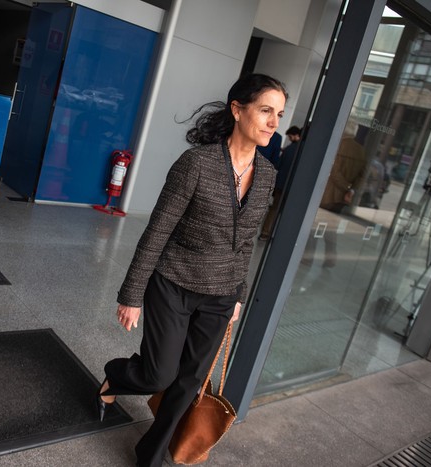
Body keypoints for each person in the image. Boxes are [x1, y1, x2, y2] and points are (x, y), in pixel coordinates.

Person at [97, 73, 287, 467]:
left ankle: (151, 456)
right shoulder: (196, 164)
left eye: (279, 114)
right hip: (174, 285)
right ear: (238, 110)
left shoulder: (267, 174)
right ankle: (116, 375)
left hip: (220, 296)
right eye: (266, 110)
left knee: (188, 384)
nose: (273, 122)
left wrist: (237, 294)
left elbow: (246, 241)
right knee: (159, 376)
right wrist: (131, 295)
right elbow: (157, 231)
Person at [303, 122, 368, 268]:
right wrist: (351, 191)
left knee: (313, 227)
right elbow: (362, 177)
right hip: (343, 198)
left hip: (327, 195)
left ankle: (308, 258)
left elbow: (334, 173)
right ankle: (331, 258)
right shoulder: (361, 151)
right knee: (330, 228)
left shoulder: (339, 146)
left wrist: (346, 187)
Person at [259, 125, 301, 240]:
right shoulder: (303, 151)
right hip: (294, 188)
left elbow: (277, 165)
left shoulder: (289, 149)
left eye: (290, 136)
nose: (289, 138)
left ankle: (265, 233)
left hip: (281, 185)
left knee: (274, 210)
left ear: (295, 135)